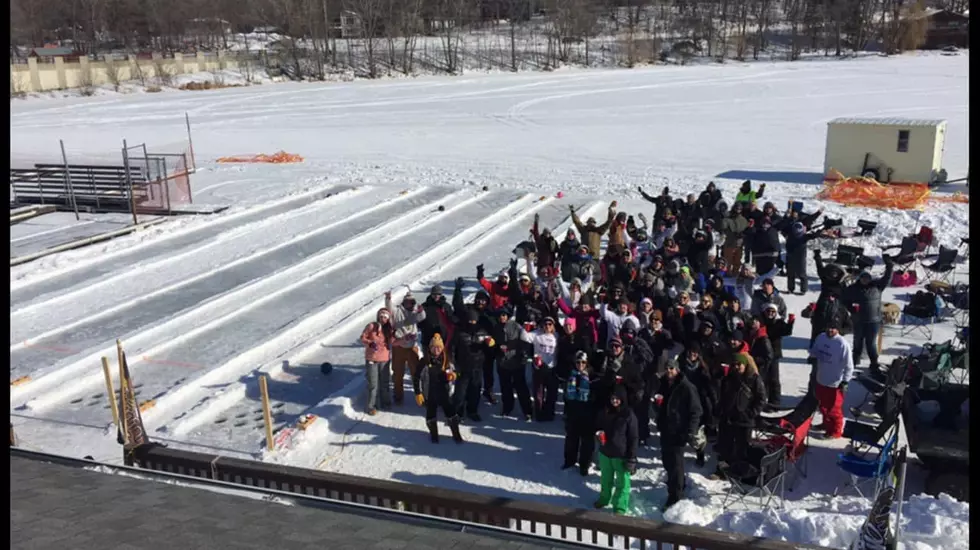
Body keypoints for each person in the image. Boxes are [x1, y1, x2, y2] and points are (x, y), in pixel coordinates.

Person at [653, 358, 703, 509]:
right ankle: (676, 485)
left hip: (679, 431)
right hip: (666, 428)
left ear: (677, 370)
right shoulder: (663, 383)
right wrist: (656, 406)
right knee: (667, 461)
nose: (669, 371)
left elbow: (696, 411)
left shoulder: (686, 387)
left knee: (676, 464)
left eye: (672, 369)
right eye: (667, 368)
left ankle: (675, 496)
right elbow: (659, 405)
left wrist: (691, 431)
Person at [713, 353, 766, 479]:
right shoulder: (728, 378)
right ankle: (723, 470)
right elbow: (723, 396)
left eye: (739, 364)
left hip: (745, 420)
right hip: (728, 418)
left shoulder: (754, 379)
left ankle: (740, 472)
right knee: (725, 445)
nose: (736, 367)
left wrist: (750, 413)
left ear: (745, 365)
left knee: (742, 448)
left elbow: (761, 399)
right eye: (734, 364)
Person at [594, 386, 638, 516]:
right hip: (605, 453)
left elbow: (634, 438)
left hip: (621, 455)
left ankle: (619, 506)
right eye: (613, 398)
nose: (614, 401)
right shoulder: (605, 411)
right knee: (605, 479)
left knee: (623, 483)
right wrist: (598, 435)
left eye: (617, 399)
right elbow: (597, 426)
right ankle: (604, 498)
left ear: (623, 399)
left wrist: (631, 458)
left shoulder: (629, 415)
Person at [843, 259, 895, 370]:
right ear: (860, 278)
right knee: (858, 341)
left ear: (870, 279)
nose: (865, 280)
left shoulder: (877, 287)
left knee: (871, 343)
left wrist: (889, 266)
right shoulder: (853, 289)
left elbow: (887, 278)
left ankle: (874, 362)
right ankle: (854, 361)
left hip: (874, 321)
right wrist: (851, 308)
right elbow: (843, 298)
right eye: (863, 278)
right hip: (858, 320)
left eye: (867, 278)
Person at [447, 307, 496, 422]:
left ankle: (472, 411)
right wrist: (453, 363)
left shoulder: (482, 332)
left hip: (477, 366)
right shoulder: (459, 333)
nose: (472, 323)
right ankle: (457, 413)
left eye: (474, 321)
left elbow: (489, 351)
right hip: (463, 366)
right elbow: (452, 349)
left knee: (475, 391)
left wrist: (490, 345)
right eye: (470, 321)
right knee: (460, 392)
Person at [808, 320, 854, 439]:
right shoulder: (821, 337)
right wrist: (812, 356)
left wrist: (845, 381)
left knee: (834, 409)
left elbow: (849, 365)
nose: (830, 330)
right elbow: (814, 350)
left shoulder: (842, 344)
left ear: (838, 330)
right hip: (821, 378)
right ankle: (826, 424)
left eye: (833, 328)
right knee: (823, 405)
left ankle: (836, 431)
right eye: (828, 327)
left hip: (835, 383)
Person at [413, 334, 463, 443]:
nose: (436, 350)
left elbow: (456, 371)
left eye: (439, 348)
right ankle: (434, 434)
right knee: (431, 415)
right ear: (430, 348)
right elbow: (416, 377)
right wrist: (418, 393)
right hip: (429, 393)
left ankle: (456, 434)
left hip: (444, 392)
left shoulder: (447, 359)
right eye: (434, 347)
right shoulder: (424, 361)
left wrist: (453, 375)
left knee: (451, 413)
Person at [385, 289, 426, 405]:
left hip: (412, 347)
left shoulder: (414, 312)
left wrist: (421, 310)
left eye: (411, 302)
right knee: (398, 373)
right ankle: (398, 395)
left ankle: (420, 394)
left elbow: (422, 317)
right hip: (399, 347)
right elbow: (389, 308)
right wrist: (388, 298)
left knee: (416, 372)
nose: (409, 303)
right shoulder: (397, 311)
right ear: (404, 302)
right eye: (407, 301)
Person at [492, 306, 532, 421]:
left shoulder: (516, 326)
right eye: (500, 315)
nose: (502, 317)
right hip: (502, 363)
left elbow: (525, 341)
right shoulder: (496, 328)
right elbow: (493, 344)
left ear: (508, 316)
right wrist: (497, 349)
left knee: (521, 387)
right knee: (505, 388)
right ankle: (507, 407)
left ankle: (527, 410)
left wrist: (524, 354)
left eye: (504, 315)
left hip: (516, 362)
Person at [562, 351, 598, 476]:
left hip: (587, 410)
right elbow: (565, 392)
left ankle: (585, 464)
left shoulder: (592, 375)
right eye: (578, 362)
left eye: (583, 362)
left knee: (587, 440)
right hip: (573, 409)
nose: (580, 365)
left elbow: (596, 393)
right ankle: (569, 460)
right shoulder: (571, 374)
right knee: (571, 437)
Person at [520, 316, 560, 421]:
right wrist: (526, 327)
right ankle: (539, 414)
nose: (547, 326)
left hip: (551, 368)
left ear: (553, 326)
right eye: (545, 324)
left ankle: (549, 413)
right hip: (539, 367)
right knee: (538, 393)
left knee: (552, 393)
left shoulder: (557, 336)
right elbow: (524, 337)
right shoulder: (537, 334)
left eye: (550, 324)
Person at [359, 308, 393, 415]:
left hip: (384, 358)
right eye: (381, 316)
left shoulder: (389, 329)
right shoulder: (371, 326)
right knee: (373, 384)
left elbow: (394, 340)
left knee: (385, 382)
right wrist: (370, 343)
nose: (383, 319)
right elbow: (362, 338)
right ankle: (371, 406)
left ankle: (385, 401)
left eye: (385, 317)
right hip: (372, 359)